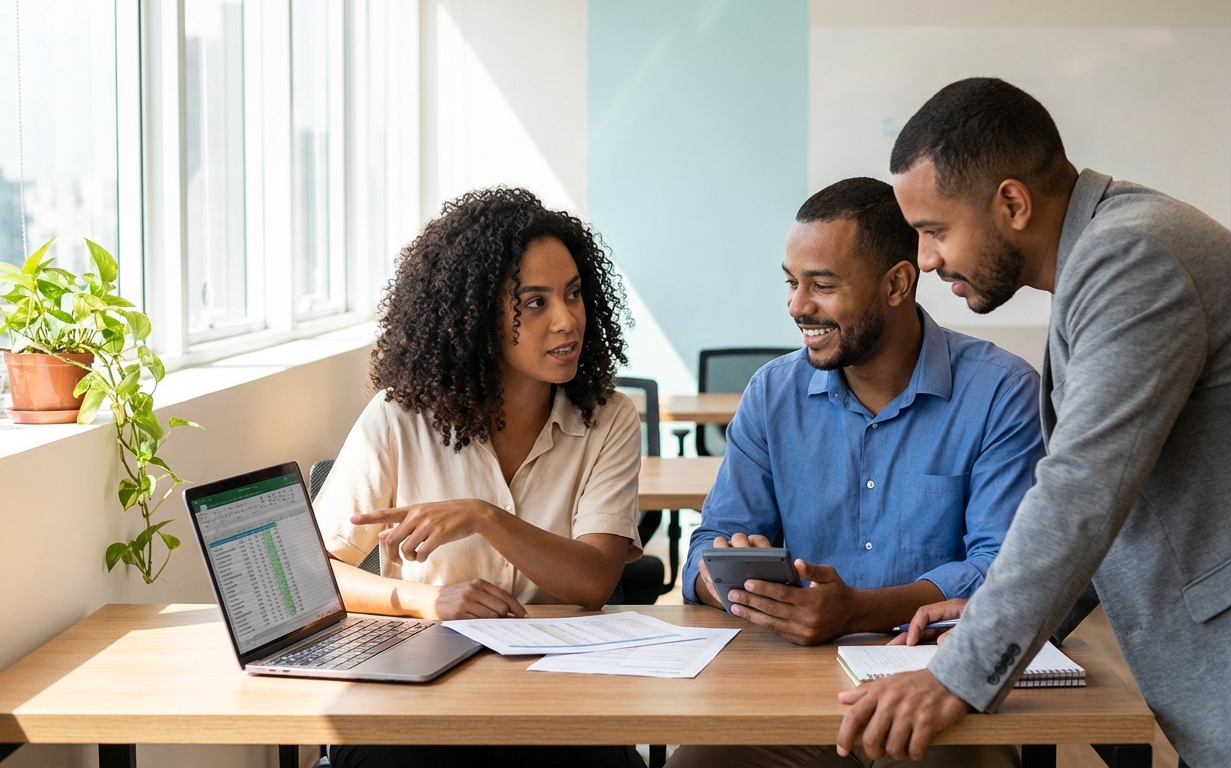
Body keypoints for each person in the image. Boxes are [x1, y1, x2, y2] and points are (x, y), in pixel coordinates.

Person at [835, 78, 1231, 768]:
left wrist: (958, 674)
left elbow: (1084, 488)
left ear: (1012, 202)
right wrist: (996, 616)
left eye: (934, 231)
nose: (928, 260)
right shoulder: (1111, 251)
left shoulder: (1133, 258)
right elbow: (1117, 491)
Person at [669, 177, 1044, 767]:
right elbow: (705, 548)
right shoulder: (773, 392)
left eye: (822, 285)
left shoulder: (1001, 391)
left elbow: (1003, 571)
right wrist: (729, 582)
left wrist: (860, 609)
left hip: (937, 684)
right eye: (792, 284)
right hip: (790, 689)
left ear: (897, 282)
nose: (797, 306)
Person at [313, 187, 644, 768]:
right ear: (474, 318)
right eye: (535, 303)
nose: (567, 320)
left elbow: (594, 580)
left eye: (572, 295)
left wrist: (486, 517)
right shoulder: (399, 417)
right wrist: (429, 600)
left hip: (561, 697)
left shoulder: (609, 419)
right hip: (425, 696)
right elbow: (316, 576)